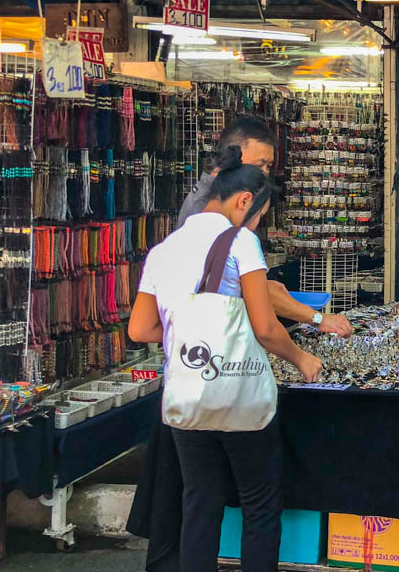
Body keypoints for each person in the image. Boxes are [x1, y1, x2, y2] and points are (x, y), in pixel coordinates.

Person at [128, 147, 325, 572]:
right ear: (243, 201)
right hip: (240, 396)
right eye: (259, 215)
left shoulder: (163, 249)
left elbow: (140, 330)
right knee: (259, 505)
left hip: (186, 397)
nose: (257, 224)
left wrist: (188, 333)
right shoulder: (241, 241)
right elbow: (266, 327)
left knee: (199, 501)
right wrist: (302, 358)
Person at [179, 117, 352, 337]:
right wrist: (318, 319)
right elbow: (256, 294)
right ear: (233, 156)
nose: (265, 173)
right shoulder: (210, 210)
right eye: (260, 164)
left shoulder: (217, 202)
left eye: (268, 166)